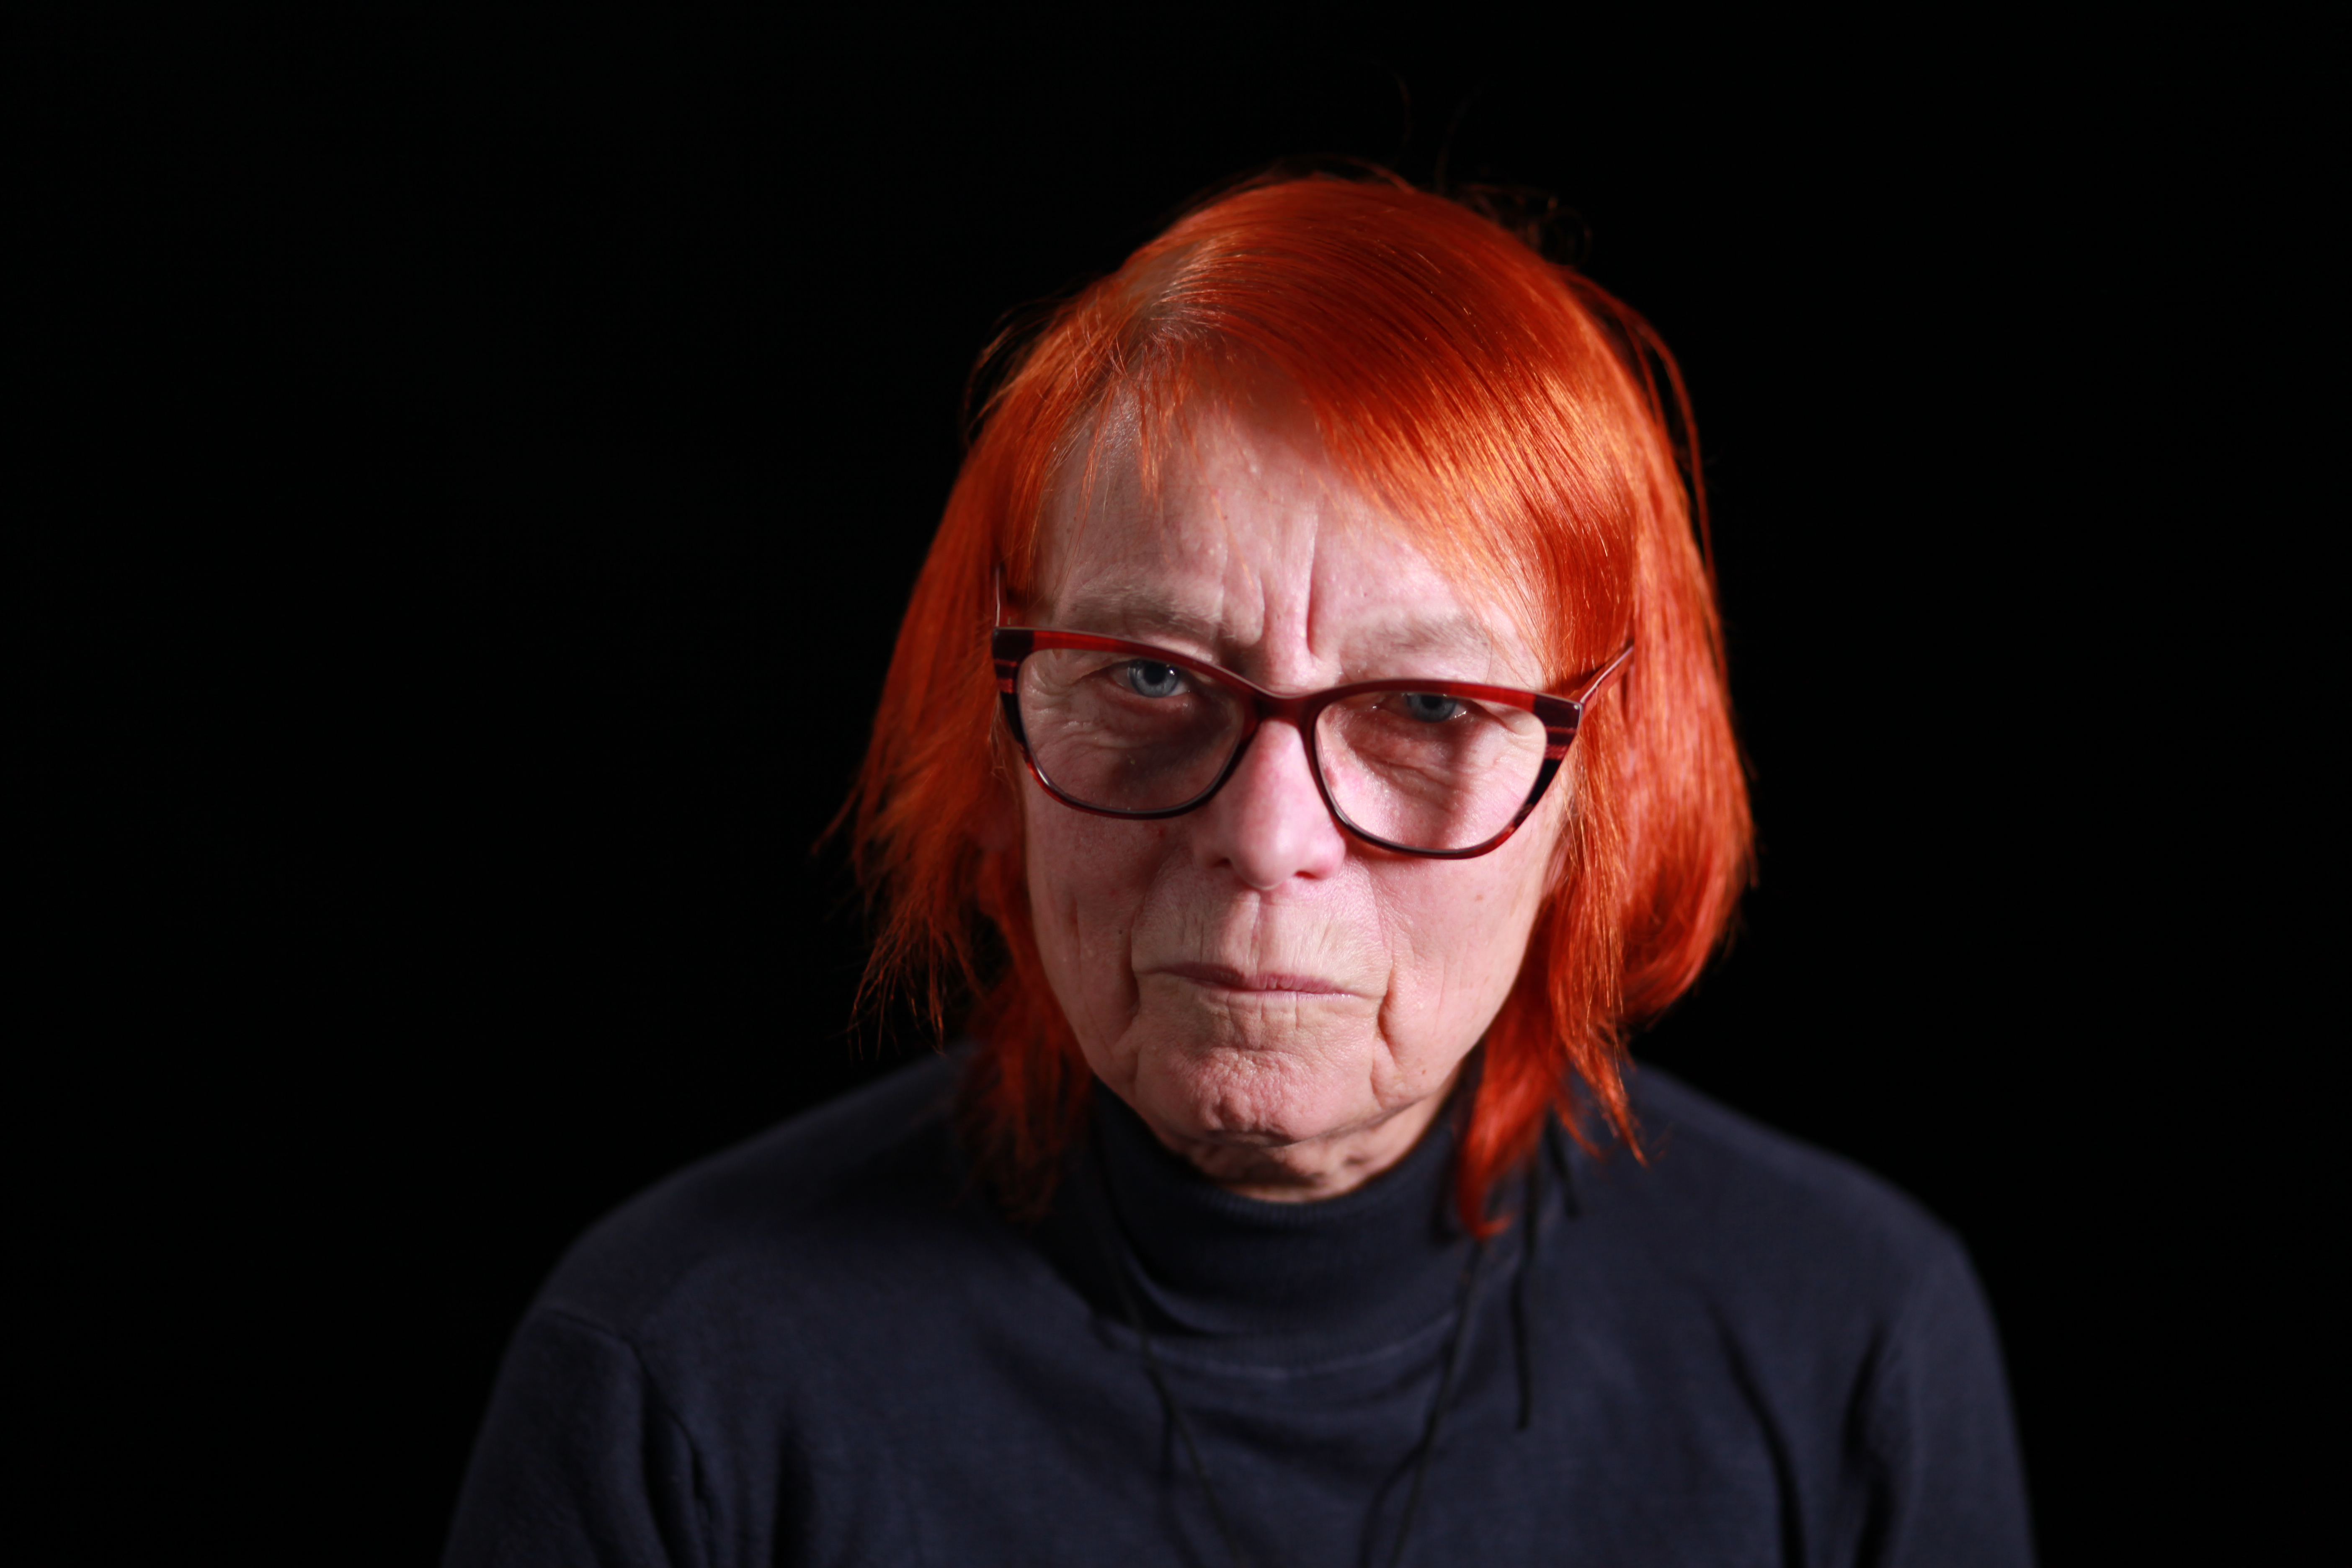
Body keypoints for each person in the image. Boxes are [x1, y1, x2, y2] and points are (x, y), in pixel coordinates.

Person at [445, 168, 2034, 1566]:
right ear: (993, 745)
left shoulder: (1853, 1346)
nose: (1269, 840)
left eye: (1430, 708)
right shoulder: (676, 1377)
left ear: (1601, 796)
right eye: (1149, 677)